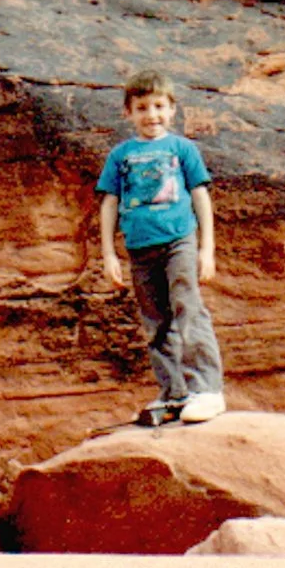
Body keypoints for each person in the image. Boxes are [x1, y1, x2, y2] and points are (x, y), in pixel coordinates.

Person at [96, 69, 227, 424]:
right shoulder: (121, 156)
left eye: (158, 106)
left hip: (178, 241)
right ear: (128, 112)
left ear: (172, 110)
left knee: (187, 308)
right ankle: (174, 393)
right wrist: (109, 253)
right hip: (140, 248)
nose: (151, 115)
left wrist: (206, 248)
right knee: (155, 321)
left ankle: (208, 389)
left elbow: (200, 195)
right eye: (142, 107)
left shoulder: (182, 148)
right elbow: (109, 202)